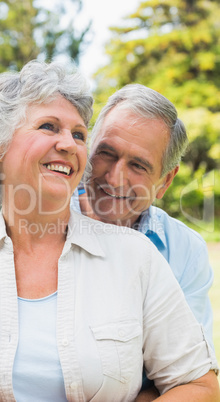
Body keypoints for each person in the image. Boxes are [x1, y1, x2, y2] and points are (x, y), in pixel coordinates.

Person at [0, 61, 219, 402]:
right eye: (49, 126)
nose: (69, 143)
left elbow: (195, 383)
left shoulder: (143, 255)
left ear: (165, 181)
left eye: (79, 134)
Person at [70, 83, 217, 399]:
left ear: (164, 181)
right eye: (106, 153)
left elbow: (190, 384)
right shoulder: (41, 222)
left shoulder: (184, 250)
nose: (114, 178)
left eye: (138, 165)